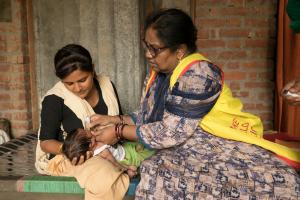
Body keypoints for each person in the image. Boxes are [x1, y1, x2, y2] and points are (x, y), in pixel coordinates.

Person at [89, 8, 300, 199]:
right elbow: (147, 116)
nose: (147, 54)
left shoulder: (200, 75)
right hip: (186, 143)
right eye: (146, 46)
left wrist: (118, 131)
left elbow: (170, 132)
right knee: (154, 166)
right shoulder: (158, 75)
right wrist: (113, 120)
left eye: (154, 49)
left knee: (159, 170)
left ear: (179, 51)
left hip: (220, 143)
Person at [35, 44, 129, 200]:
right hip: (70, 157)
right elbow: (45, 143)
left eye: (82, 80)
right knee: (103, 175)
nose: (77, 88)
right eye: (69, 83)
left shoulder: (106, 86)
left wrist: (115, 136)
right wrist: (73, 150)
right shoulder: (54, 99)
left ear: (92, 69)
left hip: (107, 149)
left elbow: (118, 119)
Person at [62, 128, 153, 177]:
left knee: (143, 143)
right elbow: (115, 164)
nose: (87, 129)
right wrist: (127, 169)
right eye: (86, 132)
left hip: (125, 147)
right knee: (150, 155)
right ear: (91, 144)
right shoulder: (103, 152)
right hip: (127, 157)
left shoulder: (94, 144)